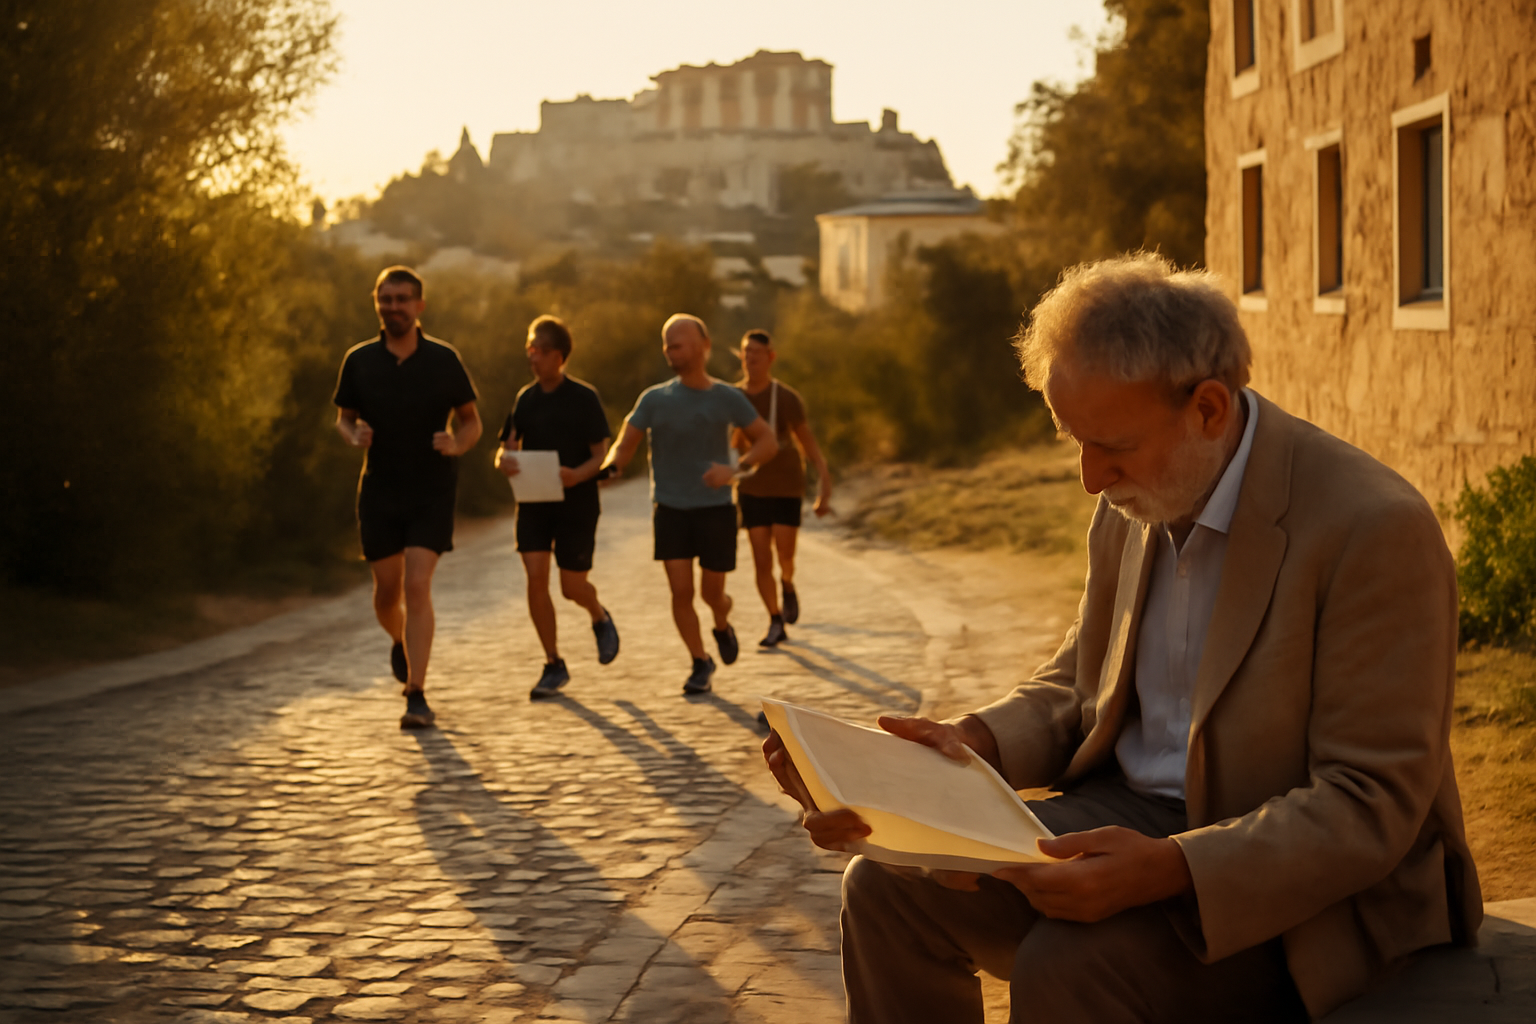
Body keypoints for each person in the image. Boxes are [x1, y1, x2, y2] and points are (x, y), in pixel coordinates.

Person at [762, 253, 1480, 1023]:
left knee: (1069, 965)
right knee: (884, 890)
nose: (1090, 479)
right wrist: (965, 747)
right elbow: (1080, 682)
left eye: (1111, 446)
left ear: (1208, 407)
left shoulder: (1372, 528)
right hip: (1133, 822)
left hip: (1311, 893)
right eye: (1073, 440)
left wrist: (1172, 868)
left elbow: (1369, 804)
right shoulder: (1143, 491)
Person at [334, 266, 482, 729]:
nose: (393, 307)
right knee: (386, 595)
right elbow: (343, 418)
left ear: (420, 306)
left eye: (402, 299)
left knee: (417, 586)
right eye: (386, 298)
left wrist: (457, 443)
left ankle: (416, 692)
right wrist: (352, 434)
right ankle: (400, 641)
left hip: (432, 488)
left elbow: (471, 420)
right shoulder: (359, 360)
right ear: (376, 303)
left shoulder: (443, 359)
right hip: (379, 489)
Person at [599, 314, 777, 694]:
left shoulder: (727, 397)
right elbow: (626, 442)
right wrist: (611, 466)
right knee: (680, 592)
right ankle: (700, 661)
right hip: (670, 508)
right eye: (666, 344)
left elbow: (767, 441)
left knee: (711, 593)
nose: (669, 350)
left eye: (677, 343)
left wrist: (735, 469)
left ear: (702, 346)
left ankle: (721, 622)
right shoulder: (654, 398)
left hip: (715, 509)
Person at [495, 315, 619, 699]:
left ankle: (598, 615)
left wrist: (578, 475)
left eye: (542, 351)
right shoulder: (524, 399)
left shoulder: (584, 397)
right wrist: (502, 460)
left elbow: (603, 455)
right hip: (533, 503)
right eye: (531, 349)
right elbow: (505, 447)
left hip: (577, 504)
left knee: (571, 587)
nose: (534, 357)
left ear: (560, 356)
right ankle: (552, 663)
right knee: (535, 578)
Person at [733, 329, 833, 647]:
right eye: (746, 352)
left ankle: (787, 584)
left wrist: (824, 481)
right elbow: (731, 445)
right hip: (752, 488)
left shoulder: (787, 398)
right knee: (761, 557)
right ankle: (775, 619)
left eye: (757, 353)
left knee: (784, 556)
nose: (750, 359)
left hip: (787, 485)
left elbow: (807, 442)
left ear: (770, 357)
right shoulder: (733, 398)